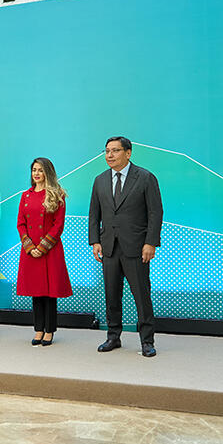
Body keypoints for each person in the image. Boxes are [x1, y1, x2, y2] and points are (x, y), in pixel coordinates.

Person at [88, 136, 163, 357]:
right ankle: (113, 336)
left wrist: (151, 242)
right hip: (109, 247)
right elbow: (94, 214)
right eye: (107, 151)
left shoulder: (145, 177)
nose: (109, 155)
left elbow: (155, 212)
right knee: (112, 295)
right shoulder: (100, 180)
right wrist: (95, 241)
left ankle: (147, 341)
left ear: (128, 153)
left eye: (115, 150)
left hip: (137, 247)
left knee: (141, 295)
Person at [16, 158, 73, 346]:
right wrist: (30, 247)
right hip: (30, 251)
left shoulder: (57, 195)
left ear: (48, 172)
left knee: (49, 293)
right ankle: (38, 329)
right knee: (36, 292)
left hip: (49, 250)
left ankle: (49, 331)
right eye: (34, 170)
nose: (36, 173)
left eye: (40, 170)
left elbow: (58, 225)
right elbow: (21, 224)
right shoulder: (25, 195)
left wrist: (42, 247)